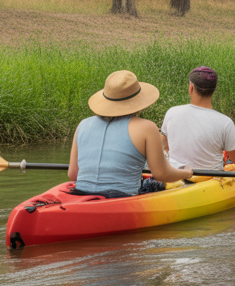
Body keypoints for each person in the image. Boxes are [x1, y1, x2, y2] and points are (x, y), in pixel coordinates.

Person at [67, 70, 193, 198]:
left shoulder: (82, 124)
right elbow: (162, 174)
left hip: (80, 194)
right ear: (138, 101)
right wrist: (186, 173)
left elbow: (73, 174)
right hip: (120, 198)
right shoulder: (147, 127)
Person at [161, 66, 235, 171]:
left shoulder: (171, 112)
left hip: (175, 176)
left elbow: (164, 145)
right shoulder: (225, 123)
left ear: (191, 87)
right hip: (210, 179)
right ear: (214, 89)